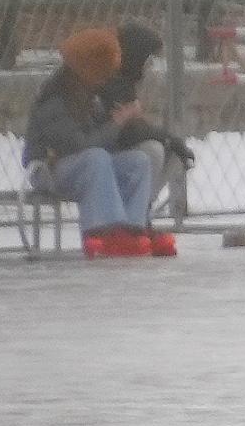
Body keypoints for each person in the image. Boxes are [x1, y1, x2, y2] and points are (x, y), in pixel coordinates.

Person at [22, 22, 189, 259]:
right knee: (96, 158)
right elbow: (80, 145)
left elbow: (104, 140)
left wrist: (128, 126)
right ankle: (103, 231)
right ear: (90, 70)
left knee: (138, 161)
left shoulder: (89, 93)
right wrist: (118, 123)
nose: (107, 79)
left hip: (82, 165)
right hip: (49, 168)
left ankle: (134, 228)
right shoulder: (56, 98)